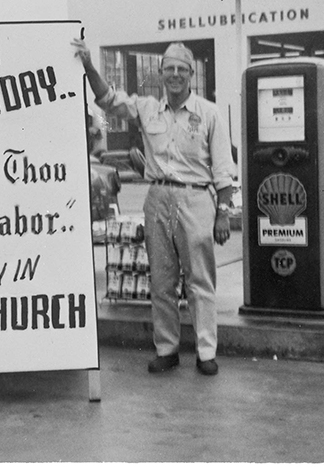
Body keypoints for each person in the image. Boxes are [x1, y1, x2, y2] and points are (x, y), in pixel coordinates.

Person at [73, 38, 234, 376]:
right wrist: (88, 66)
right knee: (161, 280)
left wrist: (223, 212)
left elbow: (223, 168)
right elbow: (108, 100)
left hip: (196, 197)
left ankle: (206, 352)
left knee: (200, 280)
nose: (175, 75)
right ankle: (167, 348)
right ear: (160, 75)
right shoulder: (147, 108)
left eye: (181, 70)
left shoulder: (209, 113)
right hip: (158, 197)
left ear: (191, 75)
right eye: (169, 69)